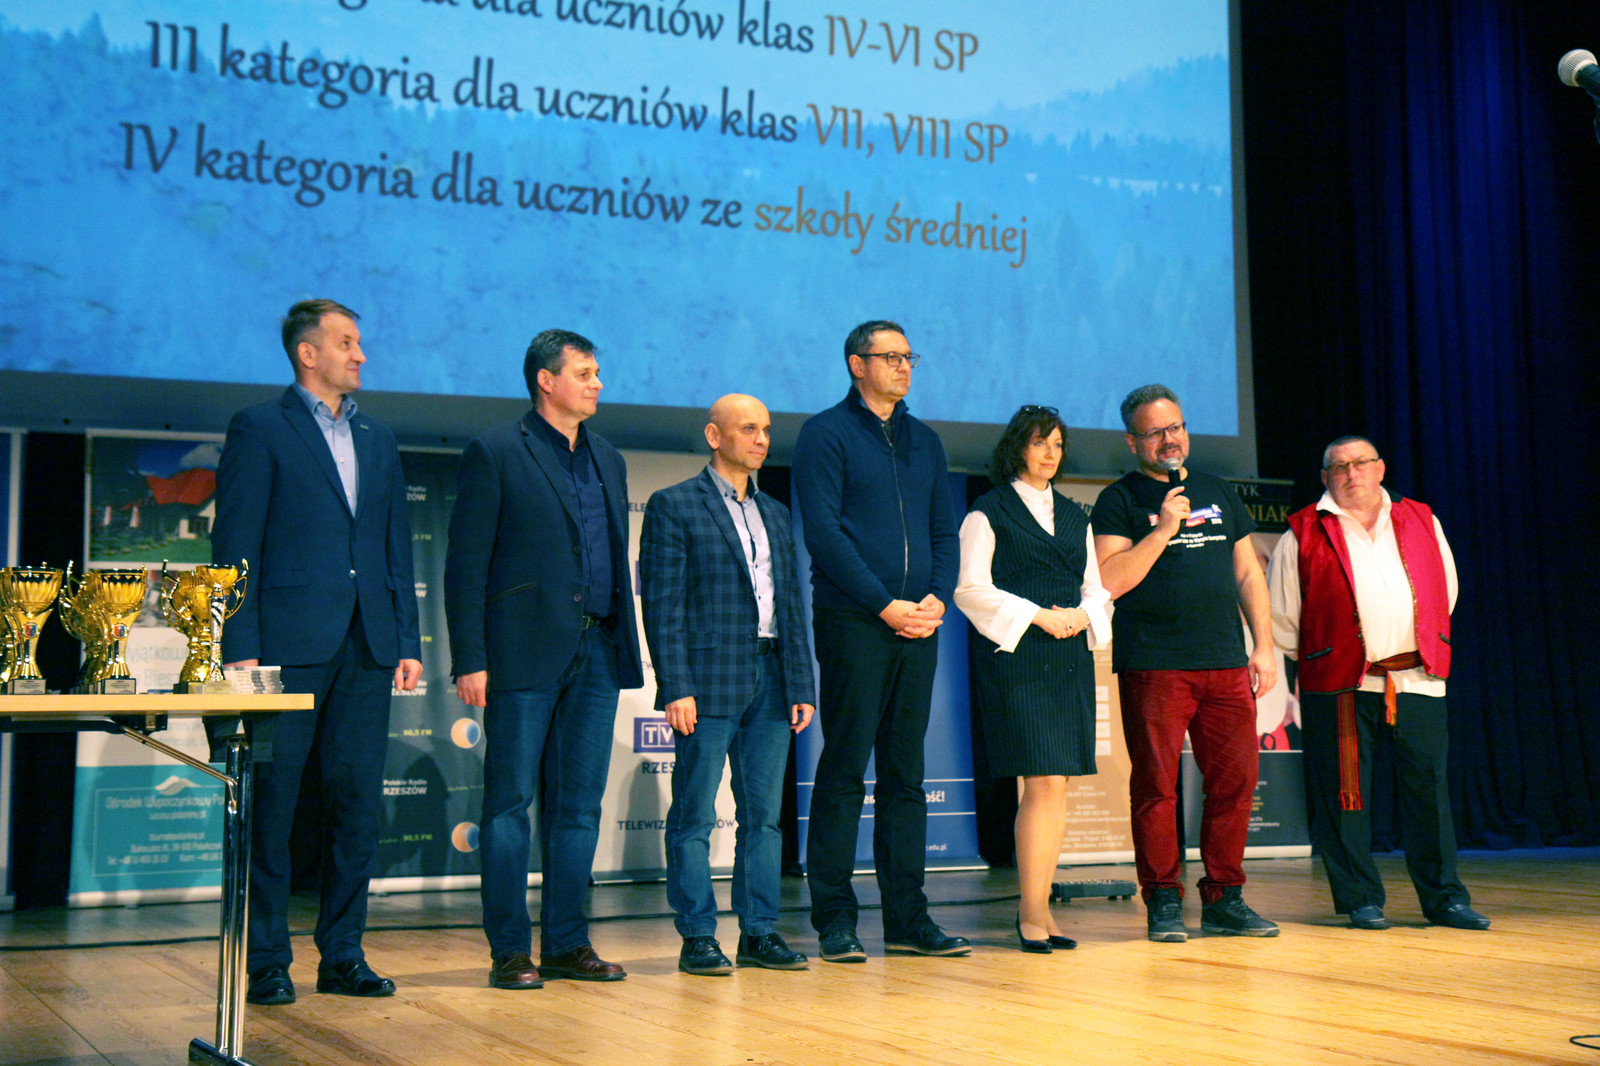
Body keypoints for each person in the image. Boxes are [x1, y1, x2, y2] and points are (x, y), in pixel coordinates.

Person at [213, 297, 423, 1005]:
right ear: (309, 353)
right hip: (282, 648)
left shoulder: (379, 438)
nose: (361, 354)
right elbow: (235, 543)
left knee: (356, 805)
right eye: (347, 342)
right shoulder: (260, 427)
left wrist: (406, 638)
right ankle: (268, 960)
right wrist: (239, 643)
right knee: (273, 807)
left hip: (368, 644)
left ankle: (343, 955)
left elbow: (394, 547)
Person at [443, 329, 644, 990]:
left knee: (579, 807)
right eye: (585, 373)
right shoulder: (497, 450)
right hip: (521, 651)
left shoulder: (608, 457)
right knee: (509, 805)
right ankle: (509, 949)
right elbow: (466, 564)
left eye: (597, 372)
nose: (597, 384)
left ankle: (565, 942)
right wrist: (470, 657)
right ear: (546, 381)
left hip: (598, 649)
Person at [791, 319, 969, 962]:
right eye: (890, 357)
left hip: (918, 623)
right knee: (844, 769)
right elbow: (824, 534)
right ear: (856, 364)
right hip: (855, 621)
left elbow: (943, 531)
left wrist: (936, 596)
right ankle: (835, 920)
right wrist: (885, 605)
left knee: (905, 776)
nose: (903, 366)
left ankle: (907, 920)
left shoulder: (925, 441)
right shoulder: (826, 433)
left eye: (908, 356)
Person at [1266, 436, 1487, 931]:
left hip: (1417, 677)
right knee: (1345, 795)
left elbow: (1445, 591)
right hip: (1342, 684)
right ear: (1325, 477)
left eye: (1361, 463)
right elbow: (1284, 617)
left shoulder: (1421, 519)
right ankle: (1360, 899)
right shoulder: (1302, 532)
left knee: (1428, 789)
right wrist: (1336, 654)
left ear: (1380, 468)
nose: (1351, 474)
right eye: (1339, 467)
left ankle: (1445, 899)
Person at [1092, 384, 1279, 942]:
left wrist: (1263, 644)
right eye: (1155, 432)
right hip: (1156, 665)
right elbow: (1110, 580)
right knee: (1157, 787)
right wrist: (1163, 529)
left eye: (1174, 427)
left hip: (1225, 662)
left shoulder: (1217, 490)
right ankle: (1163, 899)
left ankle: (1224, 897)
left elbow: (1247, 572)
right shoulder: (1118, 499)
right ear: (1133, 442)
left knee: (1235, 783)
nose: (1169, 439)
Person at [639, 394, 817, 976]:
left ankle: (759, 932)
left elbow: (790, 606)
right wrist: (675, 686)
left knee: (764, 817)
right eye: (748, 429)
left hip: (773, 679)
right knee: (694, 814)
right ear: (715, 436)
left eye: (766, 429)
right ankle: (697, 936)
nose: (761, 439)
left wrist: (801, 682)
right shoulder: (674, 505)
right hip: (707, 680)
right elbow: (663, 607)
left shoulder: (777, 513)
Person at [954, 405, 1112, 953]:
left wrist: (1083, 616)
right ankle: (1032, 911)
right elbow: (970, 589)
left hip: (1068, 658)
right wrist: (1039, 615)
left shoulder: (1074, 515)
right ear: (1017, 447)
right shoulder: (987, 511)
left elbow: (1095, 587)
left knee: (1057, 784)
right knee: (1041, 781)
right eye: (1040, 442)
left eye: (1058, 444)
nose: (1050, 453)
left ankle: (1037, 908)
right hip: (1018, 657)